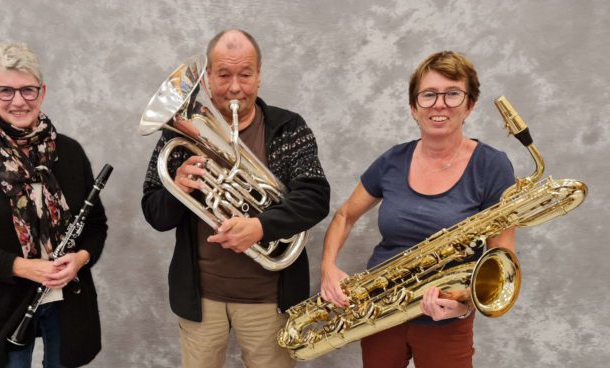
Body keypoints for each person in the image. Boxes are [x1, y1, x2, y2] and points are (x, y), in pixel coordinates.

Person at [141, 29, 330, 368]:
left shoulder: (288, 128)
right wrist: (178, 189)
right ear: (208, 77)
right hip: (201, 301)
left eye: (245, 74)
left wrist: (260, 226)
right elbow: (155, 215)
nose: (234, 87)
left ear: (259, 75)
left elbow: (316, 196)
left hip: (269, 300)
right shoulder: (181, 134)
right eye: (224, 75)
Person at [319, 51, 516, 368]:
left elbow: (501, 261)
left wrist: (463, 303)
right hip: (379, 312)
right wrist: (328, 268)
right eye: (429, 95)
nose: (440, 105)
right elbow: (344, 216)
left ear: (470, 105)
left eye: (452, 94)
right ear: (414, 108)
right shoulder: (392, 160)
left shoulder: (492, 166)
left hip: (446, 319)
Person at [0, 43, 106, 368]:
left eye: (28, 90)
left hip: (67, 301)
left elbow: (96, 226)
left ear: (41, 92)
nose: (18, 101)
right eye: (5, 91)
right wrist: (24, 267)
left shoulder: (69, 152)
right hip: (7, 304)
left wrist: (80, 260)